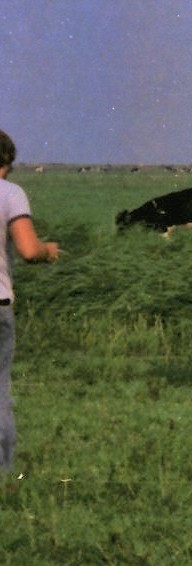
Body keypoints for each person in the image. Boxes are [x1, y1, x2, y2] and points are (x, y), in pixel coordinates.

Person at [1, 130, 60, 474]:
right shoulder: (10, 193)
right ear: (6, 162)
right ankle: (4, 477)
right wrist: (47, 251)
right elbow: (27, 249)